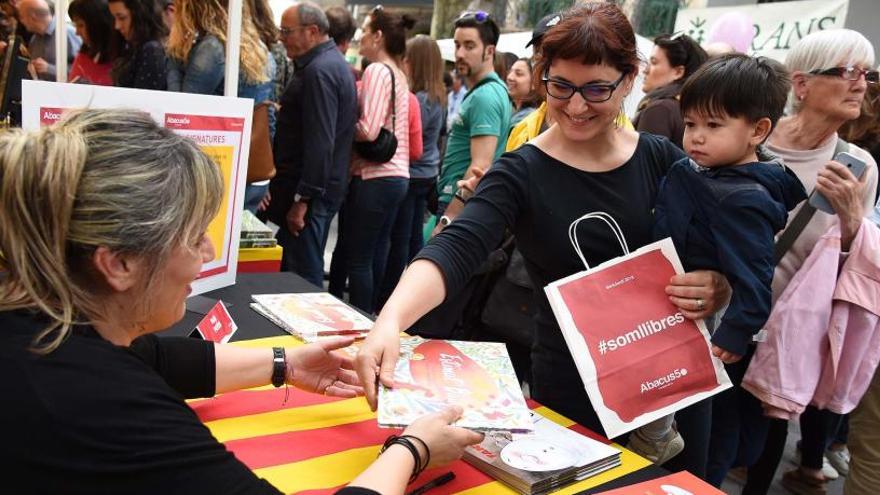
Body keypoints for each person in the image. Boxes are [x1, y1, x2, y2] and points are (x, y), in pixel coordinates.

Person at [0, 108, 482, 494]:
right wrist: (413, 449)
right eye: (192, 238)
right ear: (118, 263)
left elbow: (153, 359)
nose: (207, 255)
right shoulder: (106, 406)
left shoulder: (41, 322)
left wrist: (284, 363)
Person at [356, 3, 731, 479]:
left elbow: (719, 247)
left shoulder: (661, 159)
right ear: (542, 79)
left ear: (629, 79)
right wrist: (389, 322)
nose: (577, 107)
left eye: (596, 89)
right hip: (575, 389)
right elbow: (456, 248)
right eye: (561, 87)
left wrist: (718, 284)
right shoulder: (522, 170)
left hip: (673, 382)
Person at [704, 29, 879, 494]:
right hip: (719, 321)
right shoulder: (752, 138)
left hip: (785, 335)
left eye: (867, 74)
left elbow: (853, 268)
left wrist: (853, 223)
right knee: (711, 442)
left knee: (763, 440)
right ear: (801, 84)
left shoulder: (857, 165)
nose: (861, 84)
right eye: (847, 72)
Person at [628, 54, 807, 466]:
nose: (696, 137)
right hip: (673, 286)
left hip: (697, 306)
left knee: (671, 369)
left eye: (713, 125)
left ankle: (656, 437)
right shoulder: (704, 171)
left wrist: (736, 331)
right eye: (690, 124)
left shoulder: (742, 198)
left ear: (758, 131)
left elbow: (756, 275)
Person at [267, 2, 356, 289]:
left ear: (313, 31)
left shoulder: (320, 70)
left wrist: (302, 201)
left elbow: (321, 142)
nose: (282, 38)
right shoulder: (328, 65)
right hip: (314, 191)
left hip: (311, 195)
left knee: (302, 277)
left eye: (286, 31)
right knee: (296, 266)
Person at [344, 5, 415, 314]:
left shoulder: (375, 71)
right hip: (398, 175)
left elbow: (369, 130)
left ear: (378, 36)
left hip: (374, 174)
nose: (360, 38)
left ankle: (361, 322)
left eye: (365, 31)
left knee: (359, 259)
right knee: (377, 253)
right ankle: (372, 316)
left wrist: (342, 128)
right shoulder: (399, 74)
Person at [377, 34, 445, 308]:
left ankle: (391, 300)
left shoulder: (420, 99)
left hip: (415, 172)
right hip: (427, 172)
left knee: (400, 240)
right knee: (412, 237)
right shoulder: (438, 96)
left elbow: (409, 140)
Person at [432, 10, 510, 226]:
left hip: (460, 205)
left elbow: (481, 165)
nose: (459, 54)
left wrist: (448, 218)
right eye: (457, 45)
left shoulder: (485, 96)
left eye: (469, 46)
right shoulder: (485, 91)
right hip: (459, 201)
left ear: (489, 51)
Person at [633, 33, 707, 150]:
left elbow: (646, 164)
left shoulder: (659, 110)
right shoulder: (689, 108)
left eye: (654, 62)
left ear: (678, 72)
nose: (645, 70)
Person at [108, 0, 168, 90]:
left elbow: (143, 100)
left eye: (122, 18)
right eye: (114, 18)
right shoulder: (133, 46)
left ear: (140, 14)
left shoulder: (152, 50)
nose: (117, 26)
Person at [17, 0, 81, 81]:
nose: (21, 21)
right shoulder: (34, 40)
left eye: (22, 17)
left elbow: (83, 73)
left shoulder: (67, 34)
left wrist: (49, 69)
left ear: (33, 16)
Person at [68, 0, 121, 86]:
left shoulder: (120, 60)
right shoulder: (85, 53)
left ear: (98, 26)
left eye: (81, 25)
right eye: (75, 25)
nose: (77, 32)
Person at [506, 57, 540, 129]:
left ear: (534, 82)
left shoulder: (528, 118)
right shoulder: (510, 110)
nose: (509, 77)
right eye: (510, 72)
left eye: (518, 74)